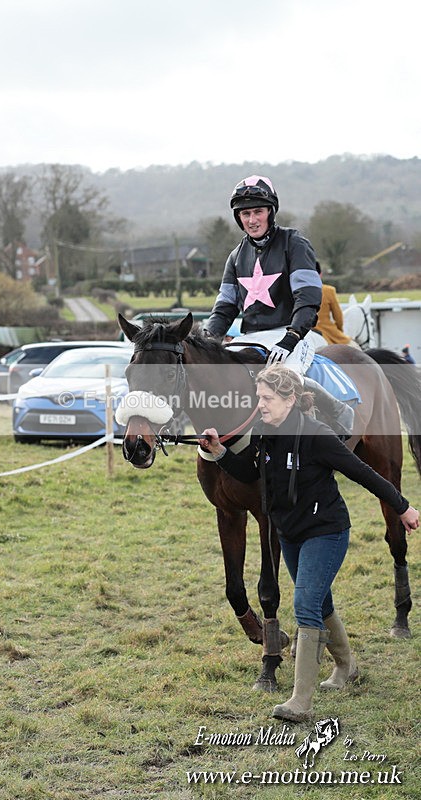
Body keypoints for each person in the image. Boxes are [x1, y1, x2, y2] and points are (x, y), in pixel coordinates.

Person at [198, 364, 419, 723]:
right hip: (290, 533)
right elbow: (251, 473)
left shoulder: (317, 435)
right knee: (321, 602)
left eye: (267, 398)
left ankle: (300, 701)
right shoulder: (263, 431)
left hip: (326, 531)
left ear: (289, 400)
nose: (260, 405)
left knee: (305, 606)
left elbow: (363, 473)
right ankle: (347, 666)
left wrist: (403, 507)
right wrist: (220, 452)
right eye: (258, 398)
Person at [203, 175, 353, 436]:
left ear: (271, 212)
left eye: (258, 212)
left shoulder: (295, 244)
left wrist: (292, 337)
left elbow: (308, 299)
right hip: (250, 337)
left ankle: (337, 411)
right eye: (245, 214)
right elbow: (224, 308)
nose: (252, 220)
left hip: (292, 334)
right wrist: (206, 341)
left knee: (286, 381)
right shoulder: (235, 257)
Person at [313, 262, 358, 347]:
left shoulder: (295, 291)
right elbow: (338, 316)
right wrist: (339, 330)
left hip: (300, 332)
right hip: (327, 332)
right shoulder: (328, 291)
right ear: (320, 274)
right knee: (354, 347)